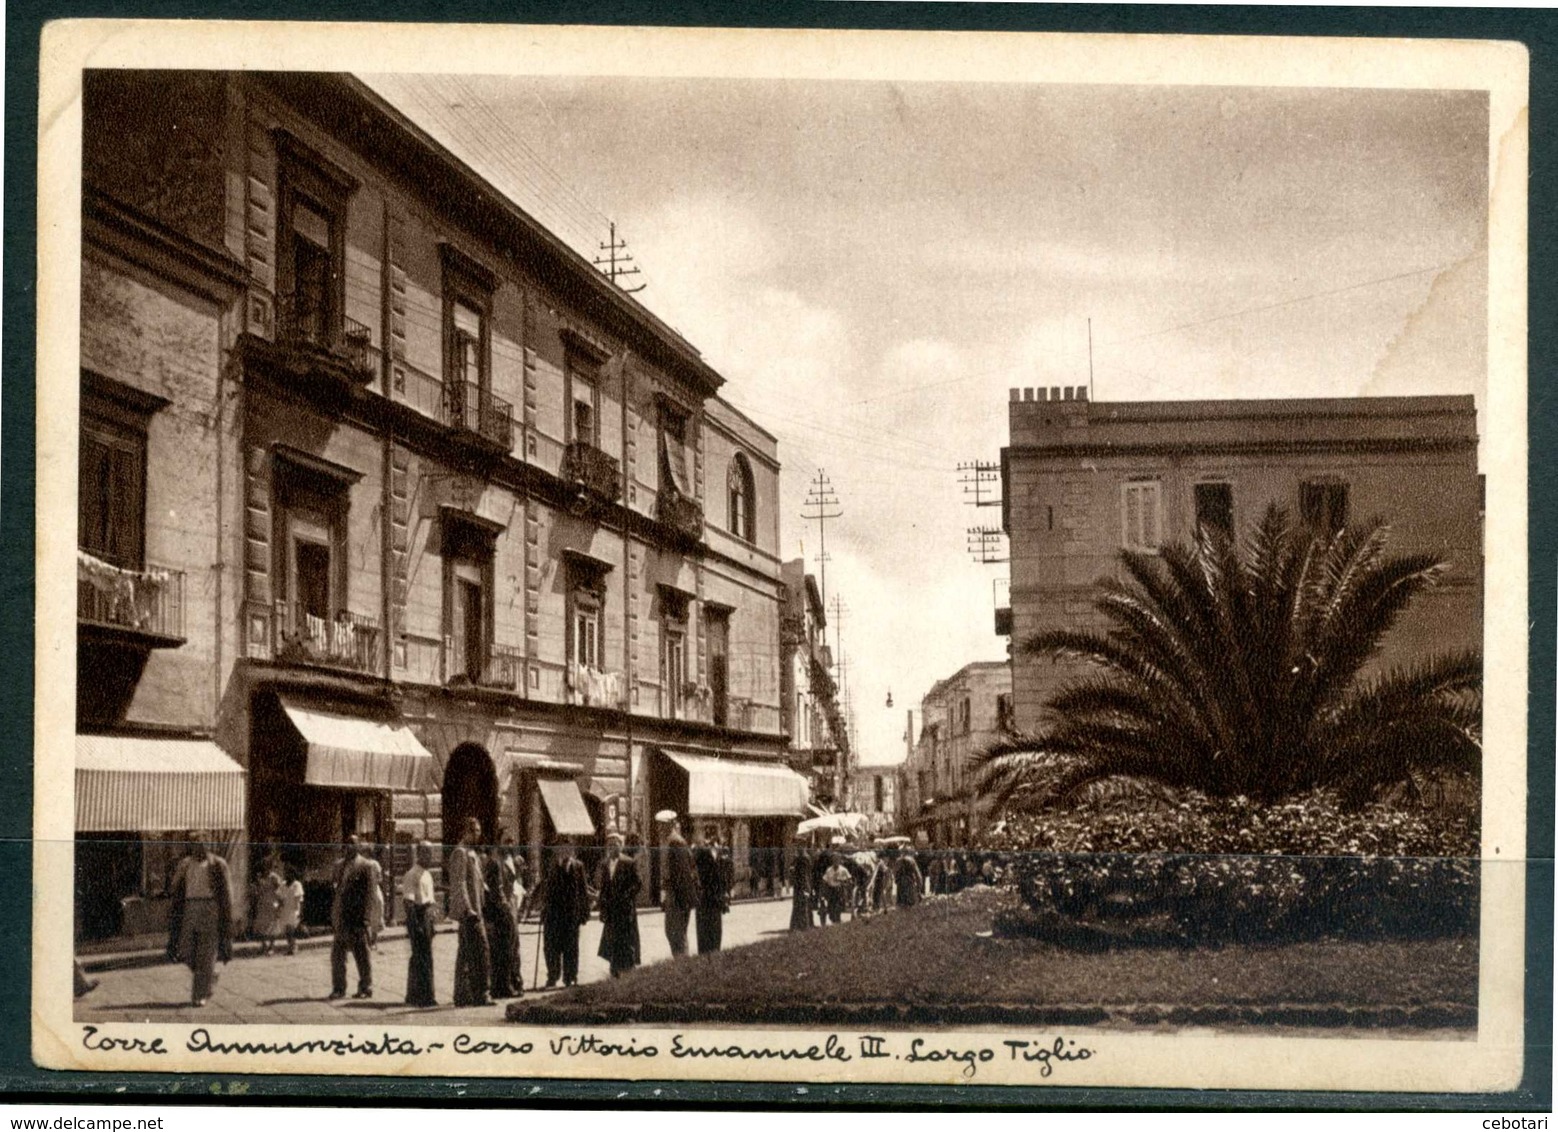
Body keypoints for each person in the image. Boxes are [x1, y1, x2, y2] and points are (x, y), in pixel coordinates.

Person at [165, 832, 234, 1007]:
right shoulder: (186, 864)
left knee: (207, 952)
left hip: (211, 908)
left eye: (204, 842)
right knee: (185, 951)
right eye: (196, 842)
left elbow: (227, 893)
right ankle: (210, 977)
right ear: (191, 845)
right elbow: (174, 887)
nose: (201, 846)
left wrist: (227, 915)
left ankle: (199, 994)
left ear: (209, 844)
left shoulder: (218, 864)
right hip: (190, 908)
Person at [448, 818, 492, 1007]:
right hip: (470, 913)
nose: (477, 833)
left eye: (479, 830)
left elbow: (478, 883)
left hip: (477, 910)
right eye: (474, 830)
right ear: (465, 831)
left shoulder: (472, 853)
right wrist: (469, 908)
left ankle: (462, 995)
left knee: (466, 953)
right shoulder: (461, 852)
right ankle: (481, 994)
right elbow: (460, 883)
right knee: (481, 951)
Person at [329, 836, 375, 1000]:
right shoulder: (339, 865)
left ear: (358, 847)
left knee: (362, 954)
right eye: (346, 844)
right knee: (337, 955)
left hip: (358, 917)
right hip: (342, 916)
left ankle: (366, 987)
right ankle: (339, 988)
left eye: (352, 844)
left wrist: (366, 918)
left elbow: (370, 894)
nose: (349, 847)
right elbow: (336, 889)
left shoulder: (366, 865)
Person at [540, 838, 591, 987]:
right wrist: (543, 909)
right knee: (551, 947)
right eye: (562, 848)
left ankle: (570, 977)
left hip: (571, 915)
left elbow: (583, 891)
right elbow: (545, 890)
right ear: (557, 850)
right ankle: (552, 976)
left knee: (571, 947)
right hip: (553, 914)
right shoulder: (551, 866)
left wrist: (584, 912)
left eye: (568, 848)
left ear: (572, 850)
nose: (566, 851)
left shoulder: (578, 866)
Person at [595, 832, 641, 978]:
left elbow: (637, 884)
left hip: (625, 909)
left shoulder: (628, 862)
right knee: (611, 940)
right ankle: (614, 969)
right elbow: (604, 888)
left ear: (621, 846)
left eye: (616, 844)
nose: (612, 847)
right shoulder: (605, 864)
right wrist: (602, 908)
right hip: (610, 910)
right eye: (610, 844)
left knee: (626, 940)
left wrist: (626, 897)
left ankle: (629, 969)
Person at [484, 841, 523, 999]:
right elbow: (497, 889)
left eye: (513, 841)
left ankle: (513, 982)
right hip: (501, 911)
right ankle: (503, 986)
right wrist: (506, 907)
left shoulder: (512, 860)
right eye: (507, 841)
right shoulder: (495, 862)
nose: (511, 844)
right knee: (504, 949)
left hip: (511, 906)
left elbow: (514, 884)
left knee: (513, 948)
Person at [401, 841, 438, 1007]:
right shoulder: (411, 874)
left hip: (427, 916)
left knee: (423, 957)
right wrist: (416, 925)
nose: (430, 856)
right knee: (421, 957)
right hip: (418, 916)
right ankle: (424, 996)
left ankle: (415, 994)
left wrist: (432, 922)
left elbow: (431, 901)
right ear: (419, 853)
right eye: (426, 853)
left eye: (431, 853)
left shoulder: (428, 875)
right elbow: (408, 902)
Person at [659, 814, 698, 957]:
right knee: (674, 933)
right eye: (659, 824)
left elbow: (683, 874)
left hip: (677, 896)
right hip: (673, 894)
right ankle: (681, 964)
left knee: (675, 934)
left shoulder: (676, 842)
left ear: (672, 824)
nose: (660, 828)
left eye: (664, 824)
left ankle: (683, 966)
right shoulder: (671, 841)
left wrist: (681, 900)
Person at [692, 825, 730, 954]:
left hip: (715, 899)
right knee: (706, 934)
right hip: (705, 898)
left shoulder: (720, 852)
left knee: (714, 933)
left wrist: (725, 894)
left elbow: (723, 875)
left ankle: (713, 954)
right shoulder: (701, 851)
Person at [251, 859, 283, 955]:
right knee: (261, 924)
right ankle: (264, 945)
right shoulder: (260, 877)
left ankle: (271, 946)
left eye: (268, 866)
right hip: (262, 903)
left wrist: (278, 904)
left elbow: (279, 890)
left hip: (272, 903)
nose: (266, 868)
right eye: (265, 866)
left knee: (272, 925)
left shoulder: (274, 877)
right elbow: (259, 890)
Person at [277, 865, 305, 955]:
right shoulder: (283, 884)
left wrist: (299, 912)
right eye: (286, 873)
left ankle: (294, 947)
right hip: (285, 910)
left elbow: (299, 899)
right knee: (287, 931)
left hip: (294, 909)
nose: (287, 875)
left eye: (289, 873)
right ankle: (290, 946)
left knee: (291, 929)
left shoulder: (297, 884)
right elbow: (280, 898)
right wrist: (278, 908)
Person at [821, 854, 853, 925]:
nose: (836, 862)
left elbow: (849, 880)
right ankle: (833, 918)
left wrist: (843, 882)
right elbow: (824, 880)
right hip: (831, 889)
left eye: (837, 860)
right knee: (831, 906)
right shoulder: (829, 870)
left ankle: (837, 919)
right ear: (832, 861)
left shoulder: (843, 870)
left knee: (838, 905)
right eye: (834, 860)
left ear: (839, 861)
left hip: (839, 889)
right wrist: (823, 890)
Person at [788, 843, 813, 932]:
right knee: (800, 906)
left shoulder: (804, 859)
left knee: (802, 906)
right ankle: (800, 926)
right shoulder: (799, 859)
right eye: (798, 846)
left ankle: (802, 926)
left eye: (800, 846)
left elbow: (805, 875)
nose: (799, 848)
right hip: (799, 886)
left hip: (802, 886)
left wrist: (807, 887)